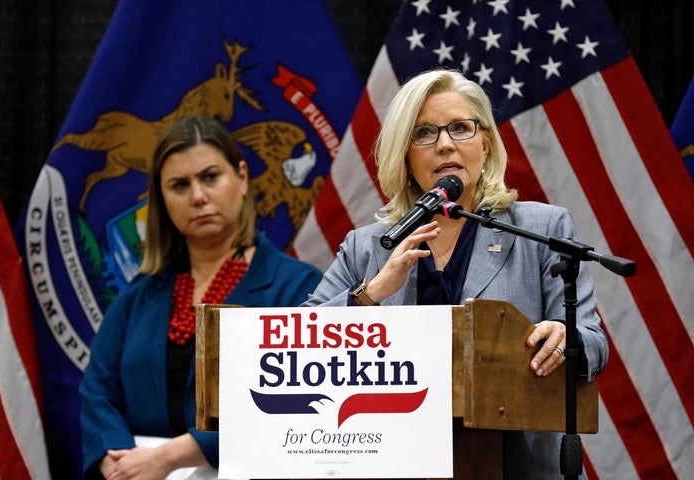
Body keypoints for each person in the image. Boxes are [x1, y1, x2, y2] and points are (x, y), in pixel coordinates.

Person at [302, 69, 608, 478]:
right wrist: (370, 294)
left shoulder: (542, 229)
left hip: (518, 463)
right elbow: (300, 339)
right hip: (394, 460)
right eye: (424, 133)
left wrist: (564, 336)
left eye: (461, 128)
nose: (445, 143)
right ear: (405, 156)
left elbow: (592, 341)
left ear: (485, 144)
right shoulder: (368, 246)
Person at [80, 115, 323, 479]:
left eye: (210, 177)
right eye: (179, 185)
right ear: (162, 199)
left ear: (241, 178)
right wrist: (116, 462)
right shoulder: (139, 295)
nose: (198, 196)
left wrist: (175, 456)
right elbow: (98, 391)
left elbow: (303, 405)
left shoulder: (299, 288)